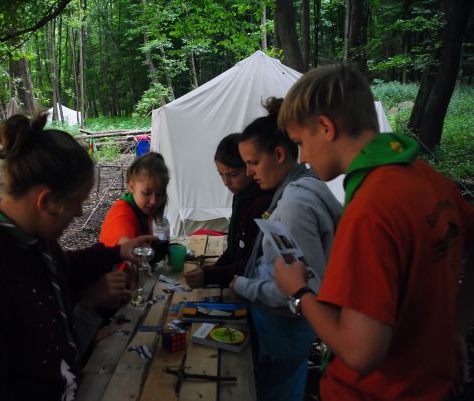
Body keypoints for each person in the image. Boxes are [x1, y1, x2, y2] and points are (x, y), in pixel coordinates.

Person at [273, 64, 474, 401]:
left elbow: (361, 353)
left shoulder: (370, 211)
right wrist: (456, 327)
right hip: (434, 383)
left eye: (300, 143)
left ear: (325, 127)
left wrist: (299, 292)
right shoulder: (428, 178)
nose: (303, 158)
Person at [0, 113, 154, 401]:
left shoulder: (30, 241)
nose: (80, 214)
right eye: (77, 203)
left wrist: (117, 251)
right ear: (46, 201)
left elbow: (62, 270)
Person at [233, 97, 343, 401]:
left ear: (280, 154)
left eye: (253, 163)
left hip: (281, 328)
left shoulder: (295, 204)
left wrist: (243, 285)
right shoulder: (307, 186)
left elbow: (302, 288)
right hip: (288, 328)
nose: (250, 172)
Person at [184, 133, 272, 288]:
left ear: (250, 168)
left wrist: (210, 274)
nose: (226, 182)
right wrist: (212, 270)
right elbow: (234, 249)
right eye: (221, 175)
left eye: (233, 174)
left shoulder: (262, 202)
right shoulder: (240, 195)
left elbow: (253, 261)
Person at [99, 151, 169, 246]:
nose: (153, 201)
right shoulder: (121, 215)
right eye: (146, 193)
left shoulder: (142, 208)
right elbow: (124, 244)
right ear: (131, 186)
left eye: (160, 194)